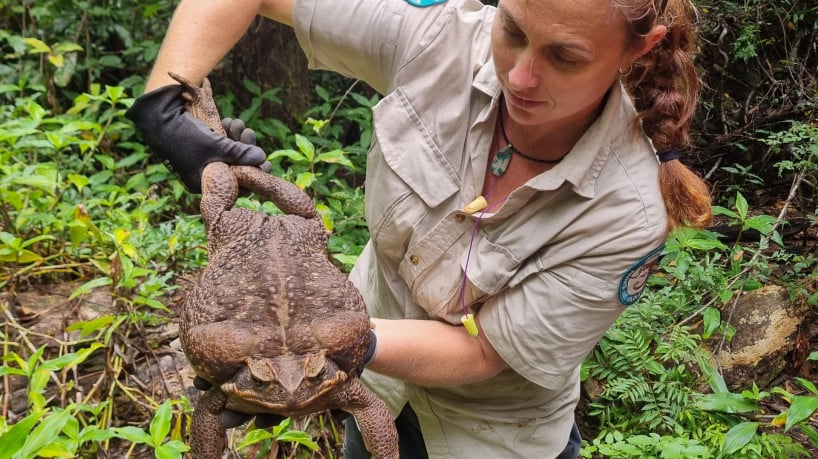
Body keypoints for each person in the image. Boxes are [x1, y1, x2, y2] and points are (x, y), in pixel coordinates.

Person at [126, 0, 712, 457]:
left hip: (492, 437)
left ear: (639, 50)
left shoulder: (628, 211)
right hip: (376, 394)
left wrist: (332, 344)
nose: (522, 76)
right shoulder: (440, 37)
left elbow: (485, 352)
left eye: (565, 57)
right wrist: (165, 111)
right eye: (511, 30)